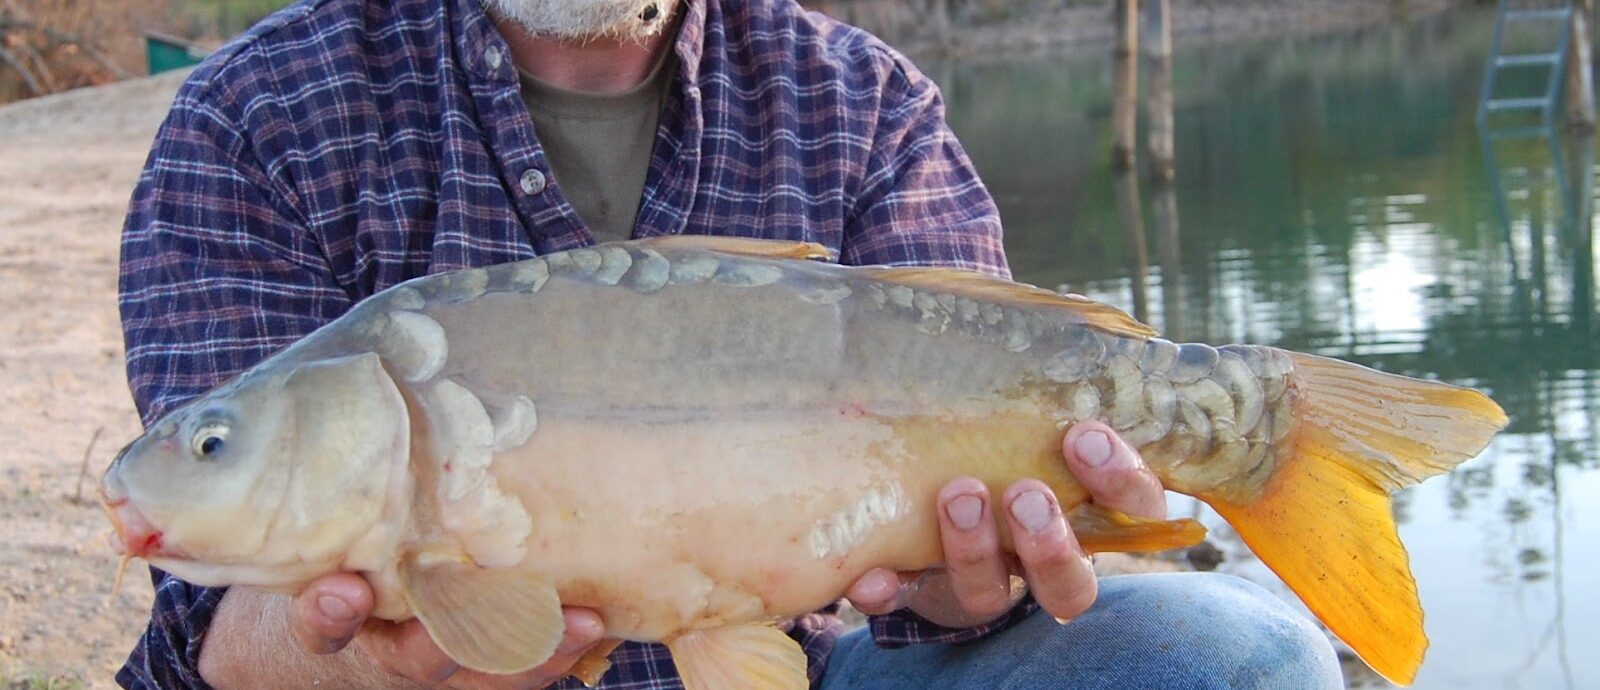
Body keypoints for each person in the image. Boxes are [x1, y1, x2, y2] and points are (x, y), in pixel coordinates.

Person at [115, 0, 1343, 687]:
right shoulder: (259, 113)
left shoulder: (862, 103)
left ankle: (1273, 439)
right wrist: (379, 670)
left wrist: (956, 572)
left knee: (1232, 658)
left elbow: (937, 604)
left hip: (803, 669)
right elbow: (218, 646)